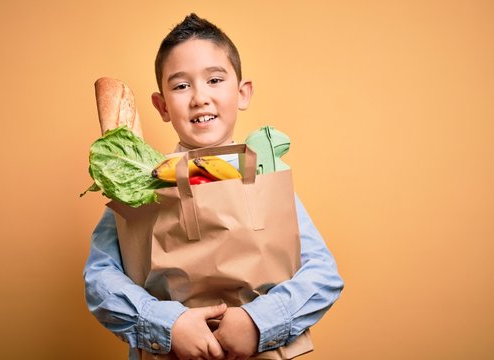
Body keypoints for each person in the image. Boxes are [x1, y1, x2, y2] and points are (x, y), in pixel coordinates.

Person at [84, 13, 344, 360]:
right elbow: (99, 279)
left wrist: (258, 322)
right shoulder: (140, 186)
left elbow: (323, 274)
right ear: (161, 106)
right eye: (180, 86)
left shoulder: (266, 177)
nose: (199, 98)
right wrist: (168, 325)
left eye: (215, 80)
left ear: (242, 93)